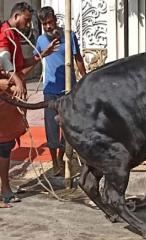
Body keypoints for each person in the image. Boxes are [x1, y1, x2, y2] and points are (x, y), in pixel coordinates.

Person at [0, 2, 57, 206]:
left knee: (5, 145)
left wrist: (43, 54)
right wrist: (14, 80)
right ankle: (4, 190)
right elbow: (5, 59)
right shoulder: (5, 33)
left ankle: (5, 188)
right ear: (16, 16)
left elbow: (20, 63)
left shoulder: (15, 36)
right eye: (25, 20)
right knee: (2, 145)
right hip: (3, 95)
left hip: (8, 97)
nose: (27, 25)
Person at [36, 6, 86, 176]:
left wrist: (85, 80)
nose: (48, 26)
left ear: (55, 20)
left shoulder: (69, 36)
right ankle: (55, 163)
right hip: (50, 90)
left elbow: (78, 58)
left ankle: (64, 157)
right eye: (44, 24)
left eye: (50, 22)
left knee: (67, 126)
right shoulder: (41, 40)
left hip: (68, 90)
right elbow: (37, 58)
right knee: (51, 127)